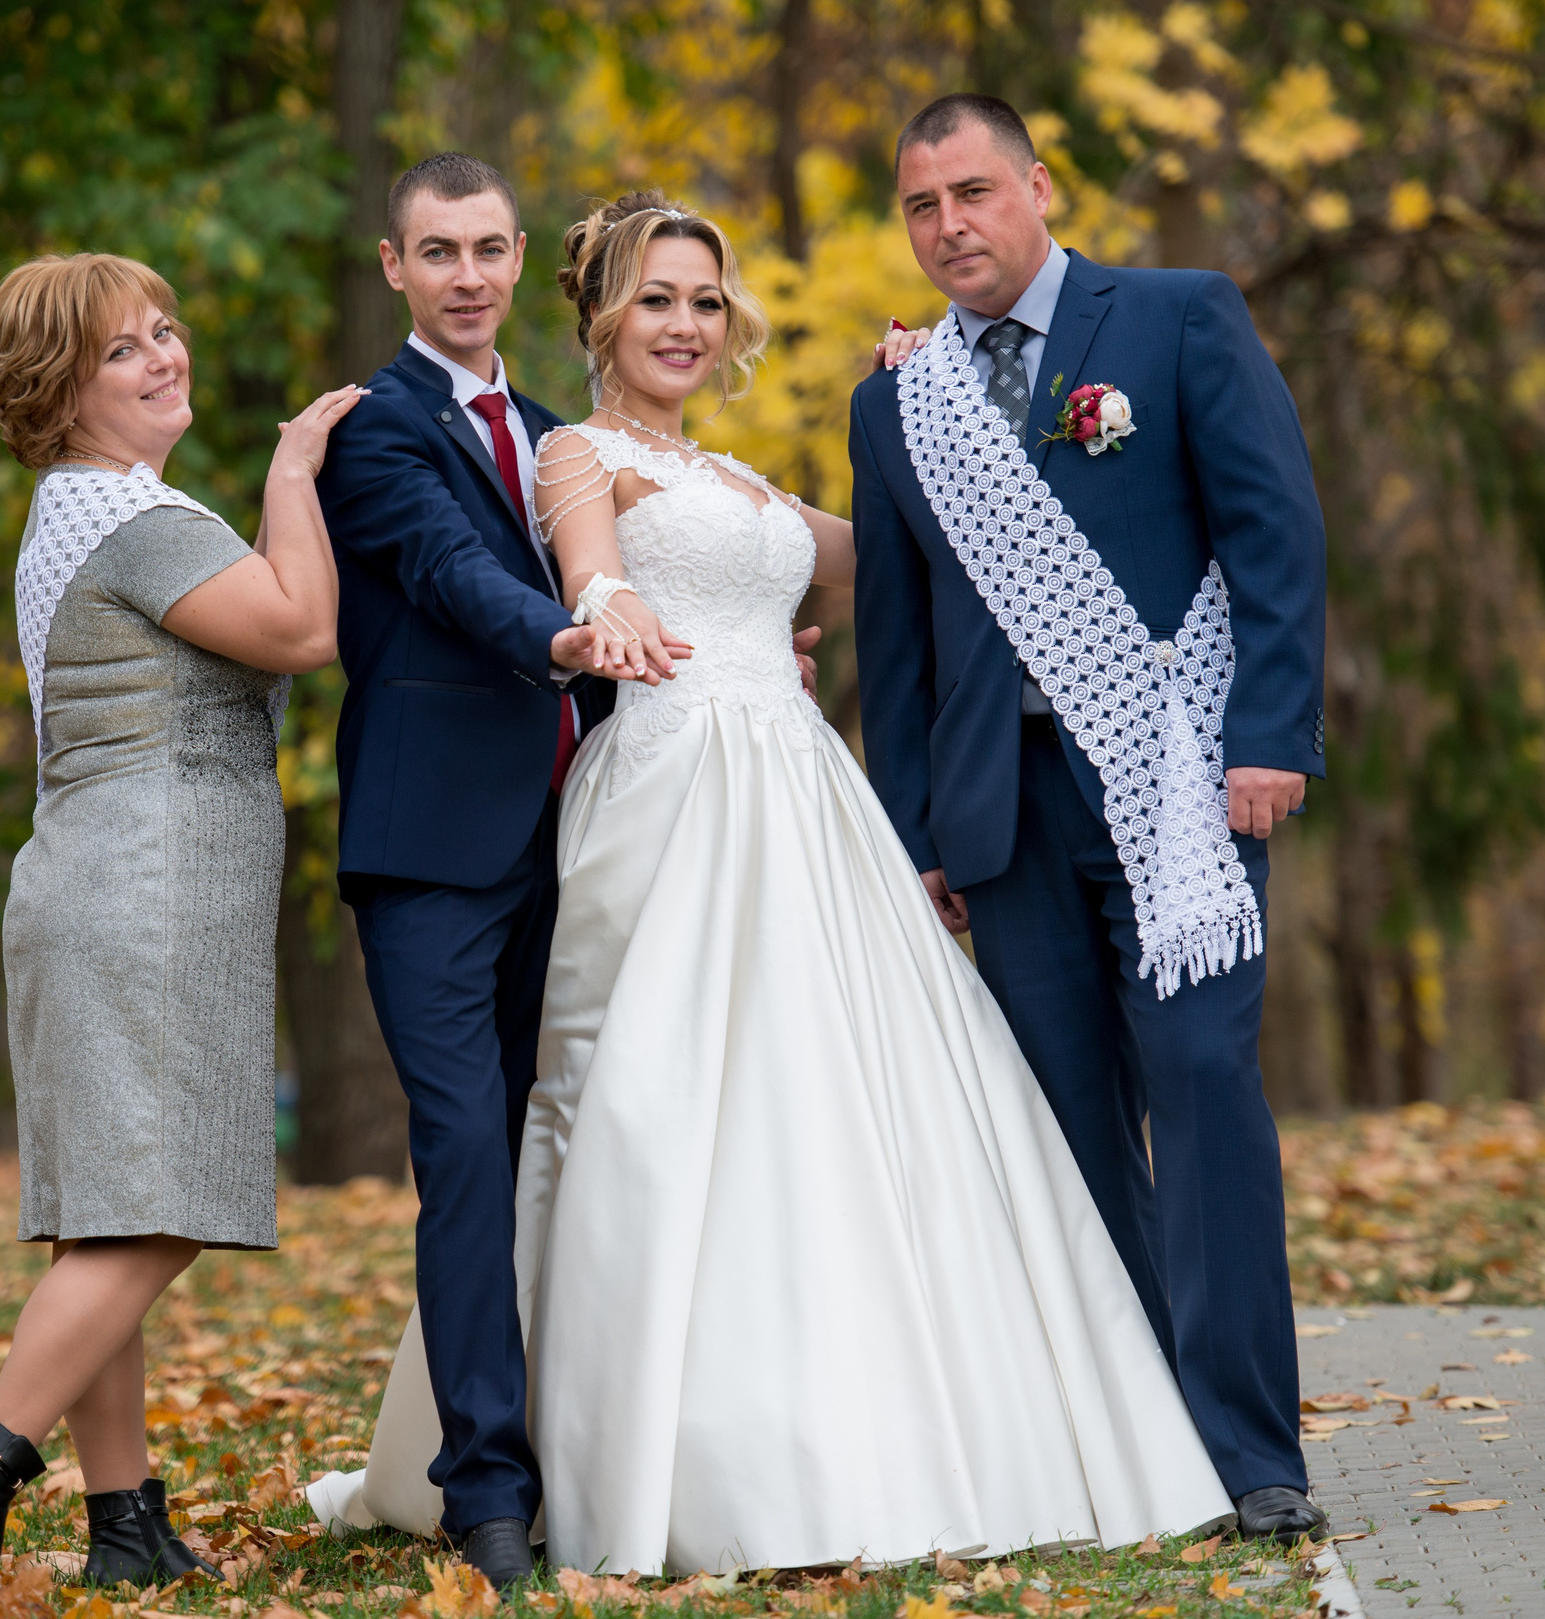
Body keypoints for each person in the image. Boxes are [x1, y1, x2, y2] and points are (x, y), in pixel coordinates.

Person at [308, 190, 1233, 1578]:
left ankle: (900, 1419)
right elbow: (592, 582)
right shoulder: (576, 454)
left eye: (702, 300)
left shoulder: (739, 480)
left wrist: (931, 414)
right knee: (667, 1098)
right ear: (602, 316)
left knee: (847, 1093)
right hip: (678, 788)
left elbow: (885, 556)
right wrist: (611, 618)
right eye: (655, 299)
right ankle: (650, 1442)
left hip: (803, 792)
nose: (682, 324)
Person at [853, 95, 1329, 1541]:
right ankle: (1145, 1451)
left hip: (1182, 785)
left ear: (1039, 188)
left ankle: (1254, 1457)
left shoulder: (1176, 320)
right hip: (1006, 814)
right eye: (924, 206)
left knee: (1200, 1091)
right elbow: (901, 638)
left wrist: (1270, 738)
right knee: (1070, 1133)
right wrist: (917, 825)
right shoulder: (893, 400)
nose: (951, 228)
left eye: (975, 193)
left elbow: (1275, 533)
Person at [0, 252, 365, 1586]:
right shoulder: (135, 519)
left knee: (108, 1217)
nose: (164, 358)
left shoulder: (78, 513)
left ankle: (127, 1528)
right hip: (146, 892)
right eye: (121, 351)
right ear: (60, 389)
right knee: (162, 1208)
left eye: (166, 331)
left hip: (91, 883)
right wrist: (289, 478)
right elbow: (300, 625)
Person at [306, 152, 695, 1590]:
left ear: (521, 257)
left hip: (575, 839)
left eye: (487, 248)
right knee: (467, 1154)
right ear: (395, 267)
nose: (466, 275)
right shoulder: (376, 431)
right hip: (429, 856)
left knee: (582, 1144)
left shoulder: (552, 434)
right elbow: (447, 577)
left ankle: (604, 1447)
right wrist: (565, 635)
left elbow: (640, 566)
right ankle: (486, 1490)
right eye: (436, 252)